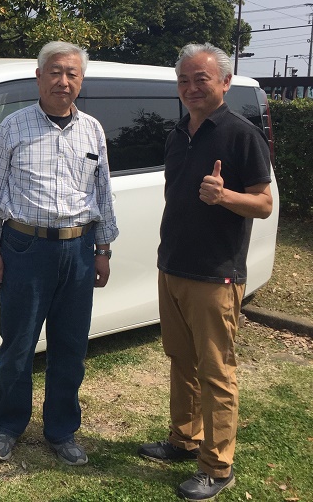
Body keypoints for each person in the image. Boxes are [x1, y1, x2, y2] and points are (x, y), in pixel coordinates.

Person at [138, 43, 273, 501]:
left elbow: (265, 202)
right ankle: (183, 438)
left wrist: (225, 197)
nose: (192, 87)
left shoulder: (241, 135)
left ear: (225, 83)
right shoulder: (178, 133)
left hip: (216, 274)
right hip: (173, 264)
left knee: (217, 371)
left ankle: (217, 466)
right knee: (180, 360)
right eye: (184, 80)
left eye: (202, 79)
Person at [0, 41, 118, 465]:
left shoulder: (93, 130)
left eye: (72, 73)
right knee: (17, 344)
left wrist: (103, 248)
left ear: (81, 80)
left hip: (78, 248)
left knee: (70, 347)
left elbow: (103, 192)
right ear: (39, 76)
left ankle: (62, 430)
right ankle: (7, 426)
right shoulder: (13, 127)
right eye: (55, 72)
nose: (63, 81)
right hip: (23, 246)